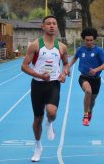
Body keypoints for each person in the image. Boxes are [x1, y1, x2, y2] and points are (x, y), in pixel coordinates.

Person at [21, 16, 69, 162]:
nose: (52, 26)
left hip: (53, 84)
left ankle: (50, 123)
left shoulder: (62, 47)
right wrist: (39, 75)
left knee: (52, 113)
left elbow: (66, 64)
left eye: (54, 23)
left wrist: (64, 73)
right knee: (37, 119)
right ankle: (38, 146)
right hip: (37, 85)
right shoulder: (35, 45)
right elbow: (24, 66)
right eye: (48, 23)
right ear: (43, 27)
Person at [68, 28, 104, 126]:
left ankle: (90, 111)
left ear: (94, 39)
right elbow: (74, 58)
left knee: (92, 100)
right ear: (84, 39)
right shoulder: (80, 50)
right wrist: (67, 67)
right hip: (84, 77)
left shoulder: (99, 50)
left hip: (96, 79)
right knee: (88, 91)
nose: (89, 42)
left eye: (91, 40)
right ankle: (85, 116)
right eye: (87, 40)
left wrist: (95, 70)